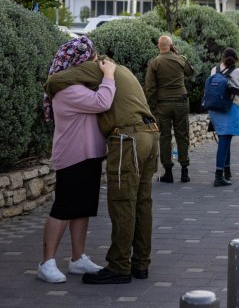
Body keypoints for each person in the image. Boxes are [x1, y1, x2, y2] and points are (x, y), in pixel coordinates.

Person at [44, 56, 159, 285]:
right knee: (142, 203)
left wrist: (49, 87)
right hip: (150, 134)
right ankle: (140, 264)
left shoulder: (95, 67)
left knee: (123, 203)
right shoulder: (123, 69)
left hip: (129, 139)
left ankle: (119, 267)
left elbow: (55, 80)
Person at [37, 37, 116, 283]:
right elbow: (103, 102)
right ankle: (46, 262)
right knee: (63, 209)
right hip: (73, 157)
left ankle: (77, 259)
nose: (95, 63)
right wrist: (109, 75)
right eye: (92, 59)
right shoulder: (68, 90)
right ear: (78, 62)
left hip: (89, 155)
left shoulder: (77, 86)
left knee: (82, 209)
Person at [145, 35, 195, 183]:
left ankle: (168, 173)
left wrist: (147, 106)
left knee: (165, 138)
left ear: (158, 47)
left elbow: (150, 88)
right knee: (182, 135)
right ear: (172, 45)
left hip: (163, 104)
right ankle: (185, 171)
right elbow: (190, 72)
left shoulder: (154, 63)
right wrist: (178, 54)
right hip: (181, 102)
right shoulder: (179, 59)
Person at [207, 47, 239, 187]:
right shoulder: (238, 72)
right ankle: (218, 176)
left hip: (214, 109)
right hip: (230, 109)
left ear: (222, 57)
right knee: (225, 141)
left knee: (224, 139)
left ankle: (227, 171)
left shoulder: (214, 70)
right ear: (236, 59)